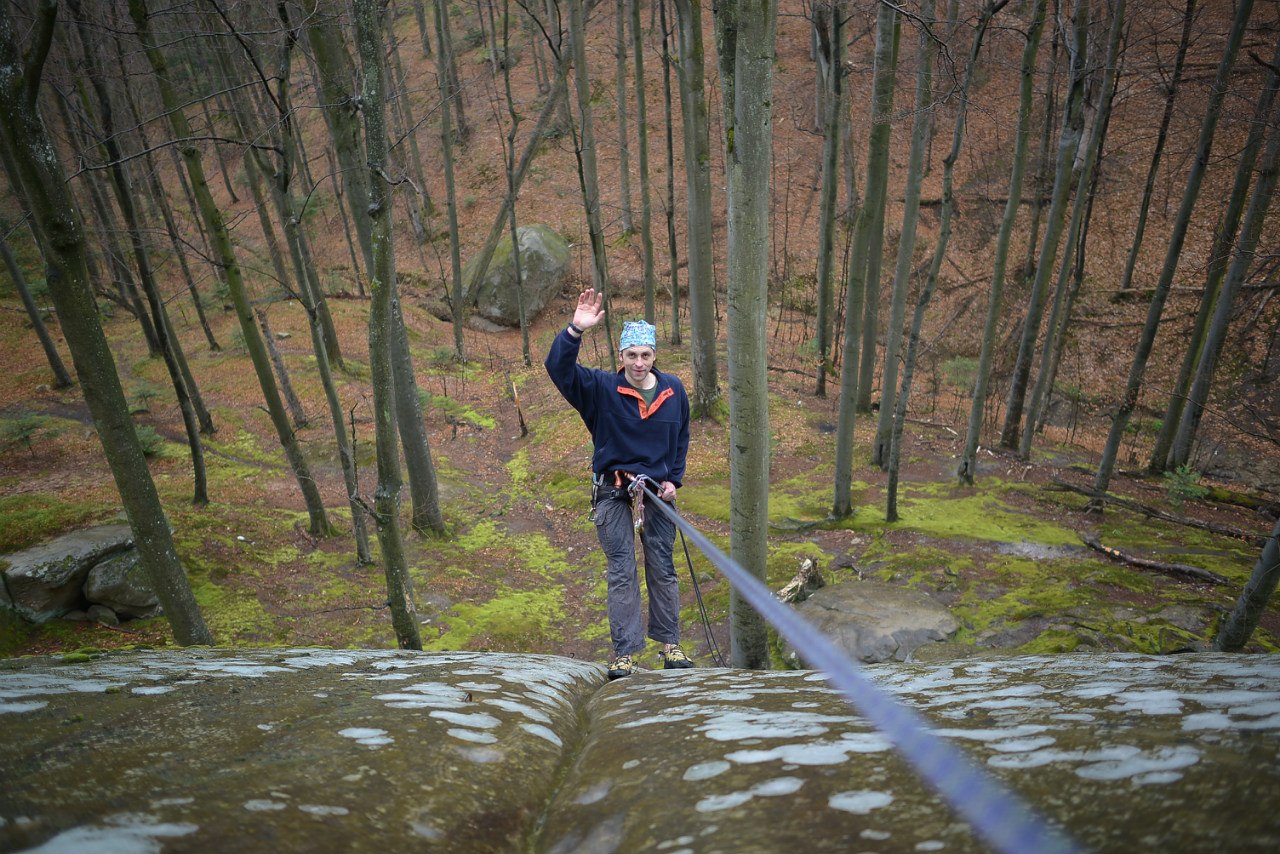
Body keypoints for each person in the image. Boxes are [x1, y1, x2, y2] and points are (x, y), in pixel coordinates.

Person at [545, 288, 693, 678]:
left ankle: (671, 646)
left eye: (645, 355)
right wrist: (575, 330)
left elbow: (681, 436)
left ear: (654, 356)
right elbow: (559, 369)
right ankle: (625, 653)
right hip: (612, 490)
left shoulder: (673, 390)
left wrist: (674, 479)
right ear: (621, 357)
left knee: (662, 566)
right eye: (632, 355)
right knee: (622, 570)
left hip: (657, 493)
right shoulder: (600, 390)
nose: (639, 363)